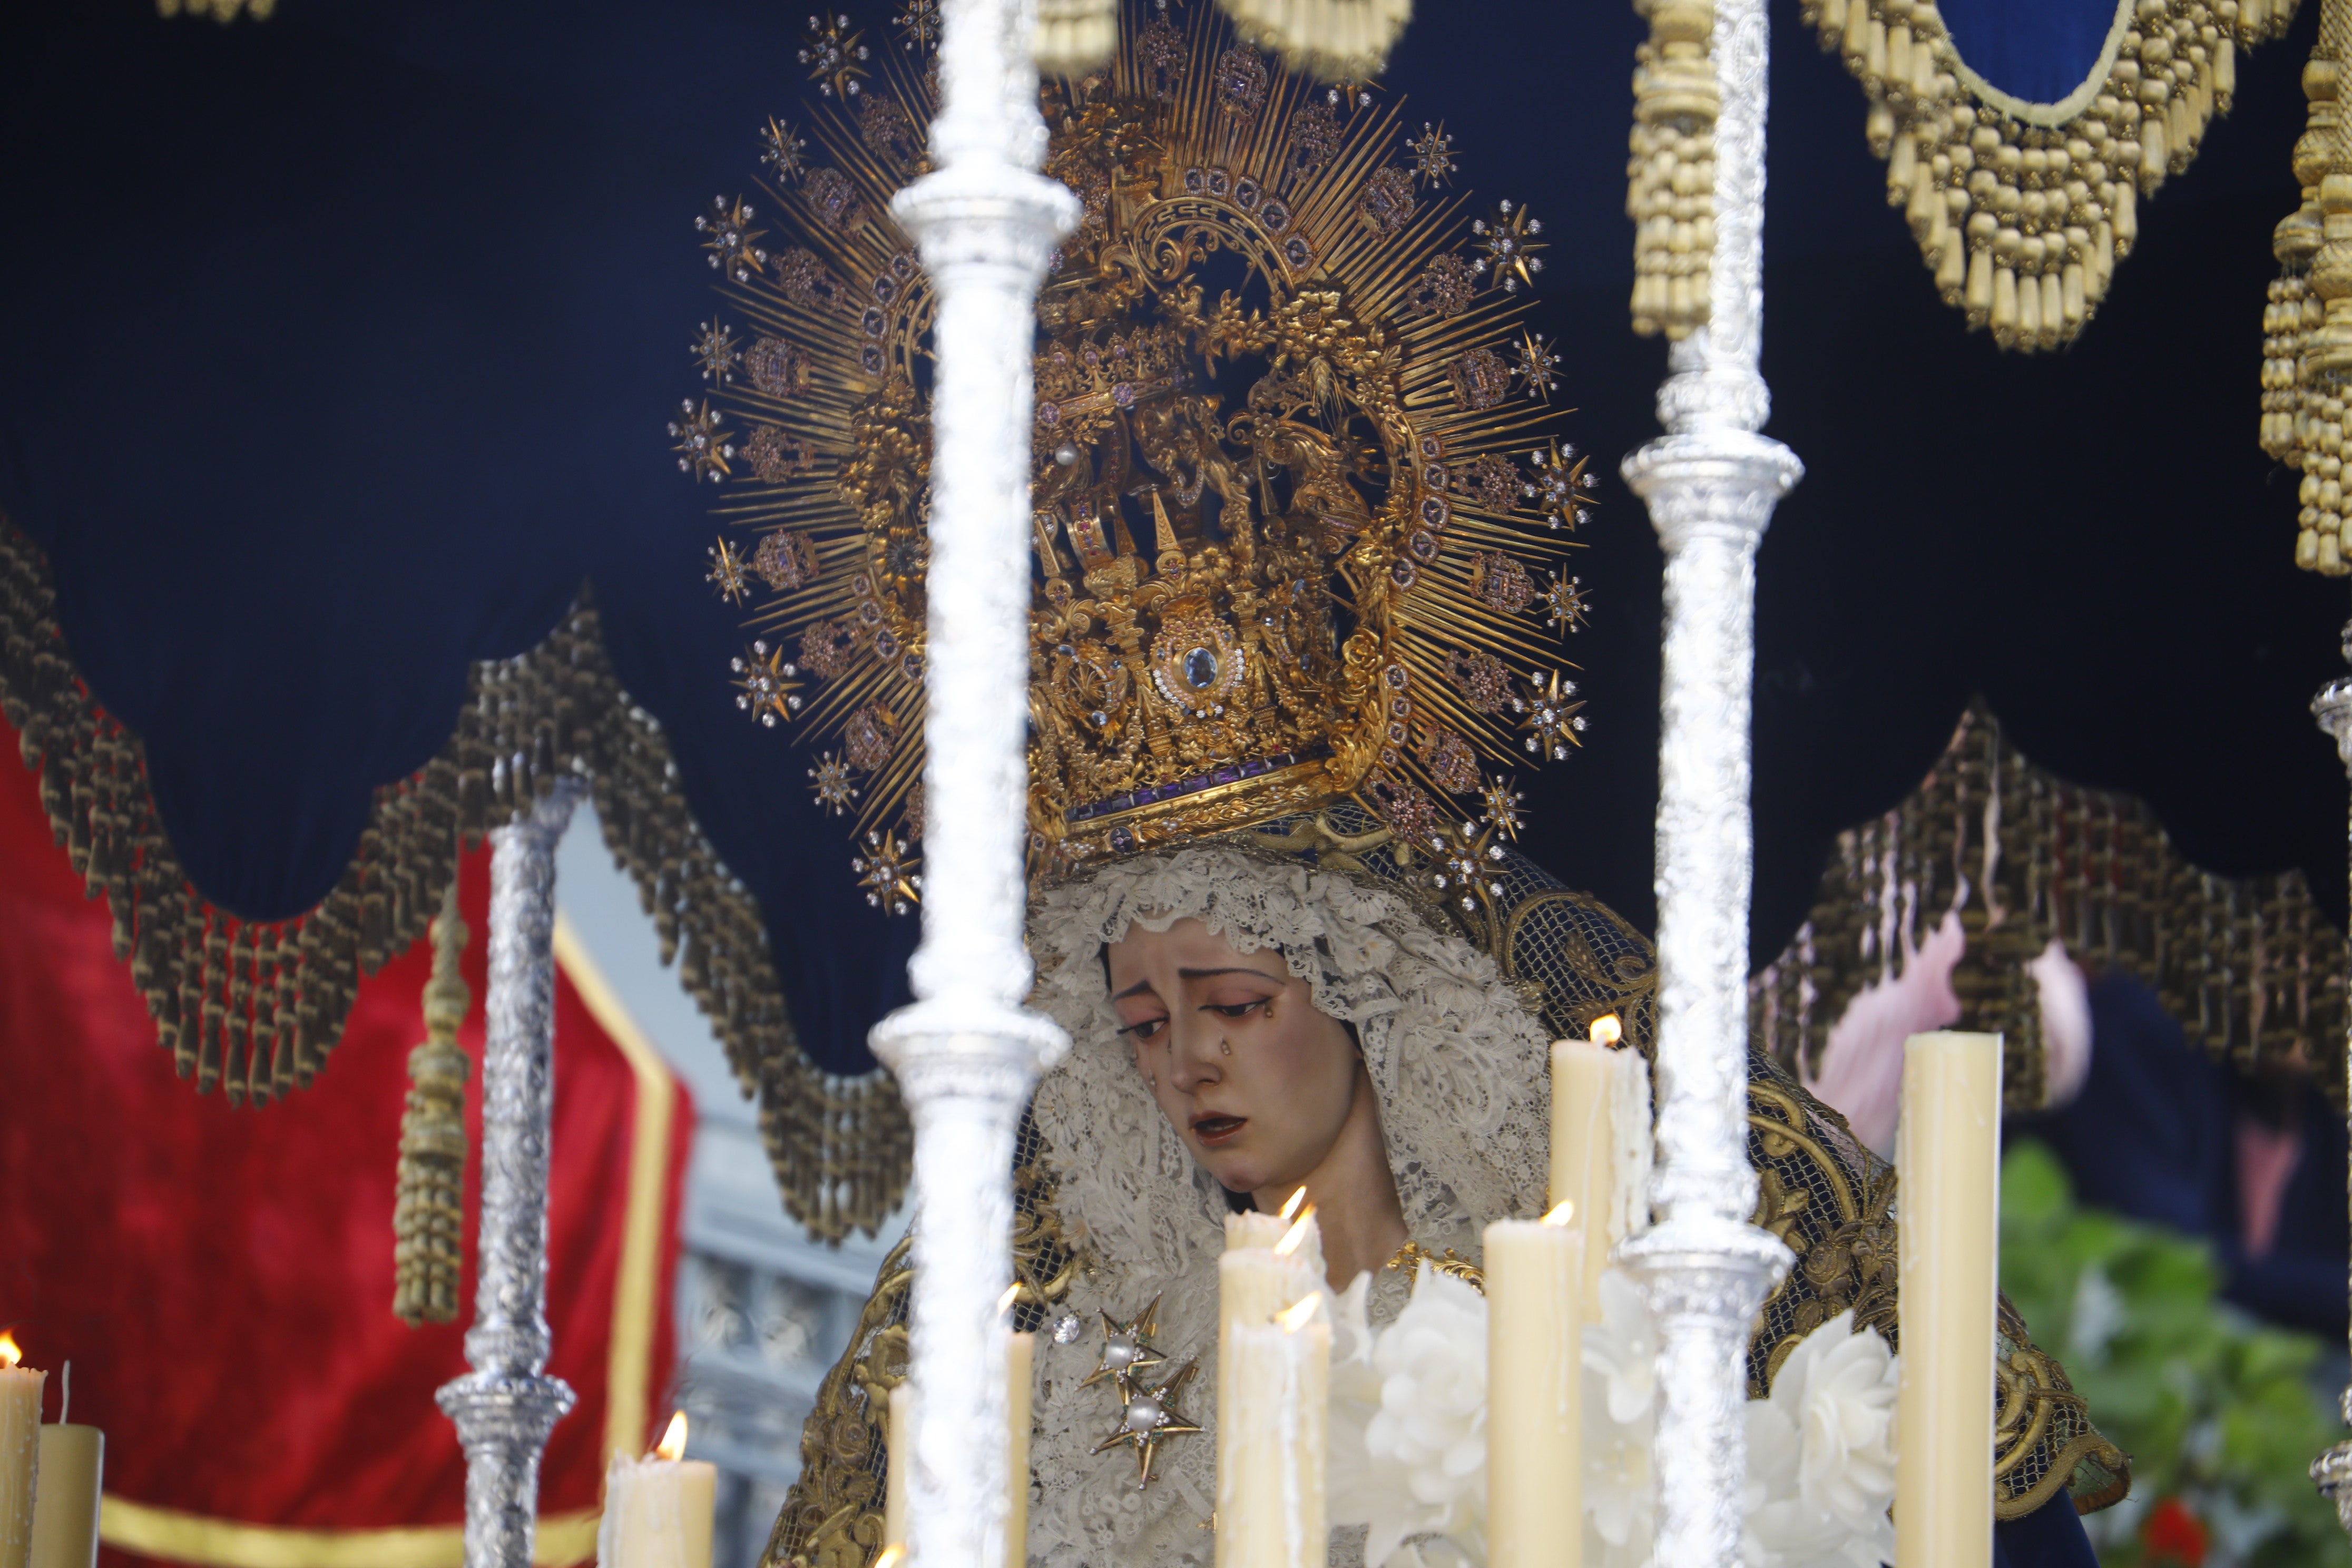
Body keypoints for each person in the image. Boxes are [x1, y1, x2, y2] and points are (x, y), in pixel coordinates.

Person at [684, 7, 2125, 1565]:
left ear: (1369, 986)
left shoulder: (1643, 1264)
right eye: (1145, 1023)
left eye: (1233, 1001)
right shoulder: (1051, 1325)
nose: (1188, 1068)